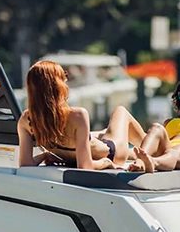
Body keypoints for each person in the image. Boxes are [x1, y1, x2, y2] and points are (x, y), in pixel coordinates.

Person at [17, 60, 148, 169]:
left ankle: (143, 148)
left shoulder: (26, 120)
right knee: (121, 112)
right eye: (64, 78)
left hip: (80, 152)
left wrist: (44, 156)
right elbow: (85, 166)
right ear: (57, 86)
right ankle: (151, 146)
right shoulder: (77, 115)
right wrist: (106, 163)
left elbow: (25, 163)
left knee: (100, 134)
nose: (66, 81)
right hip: (112, 155)